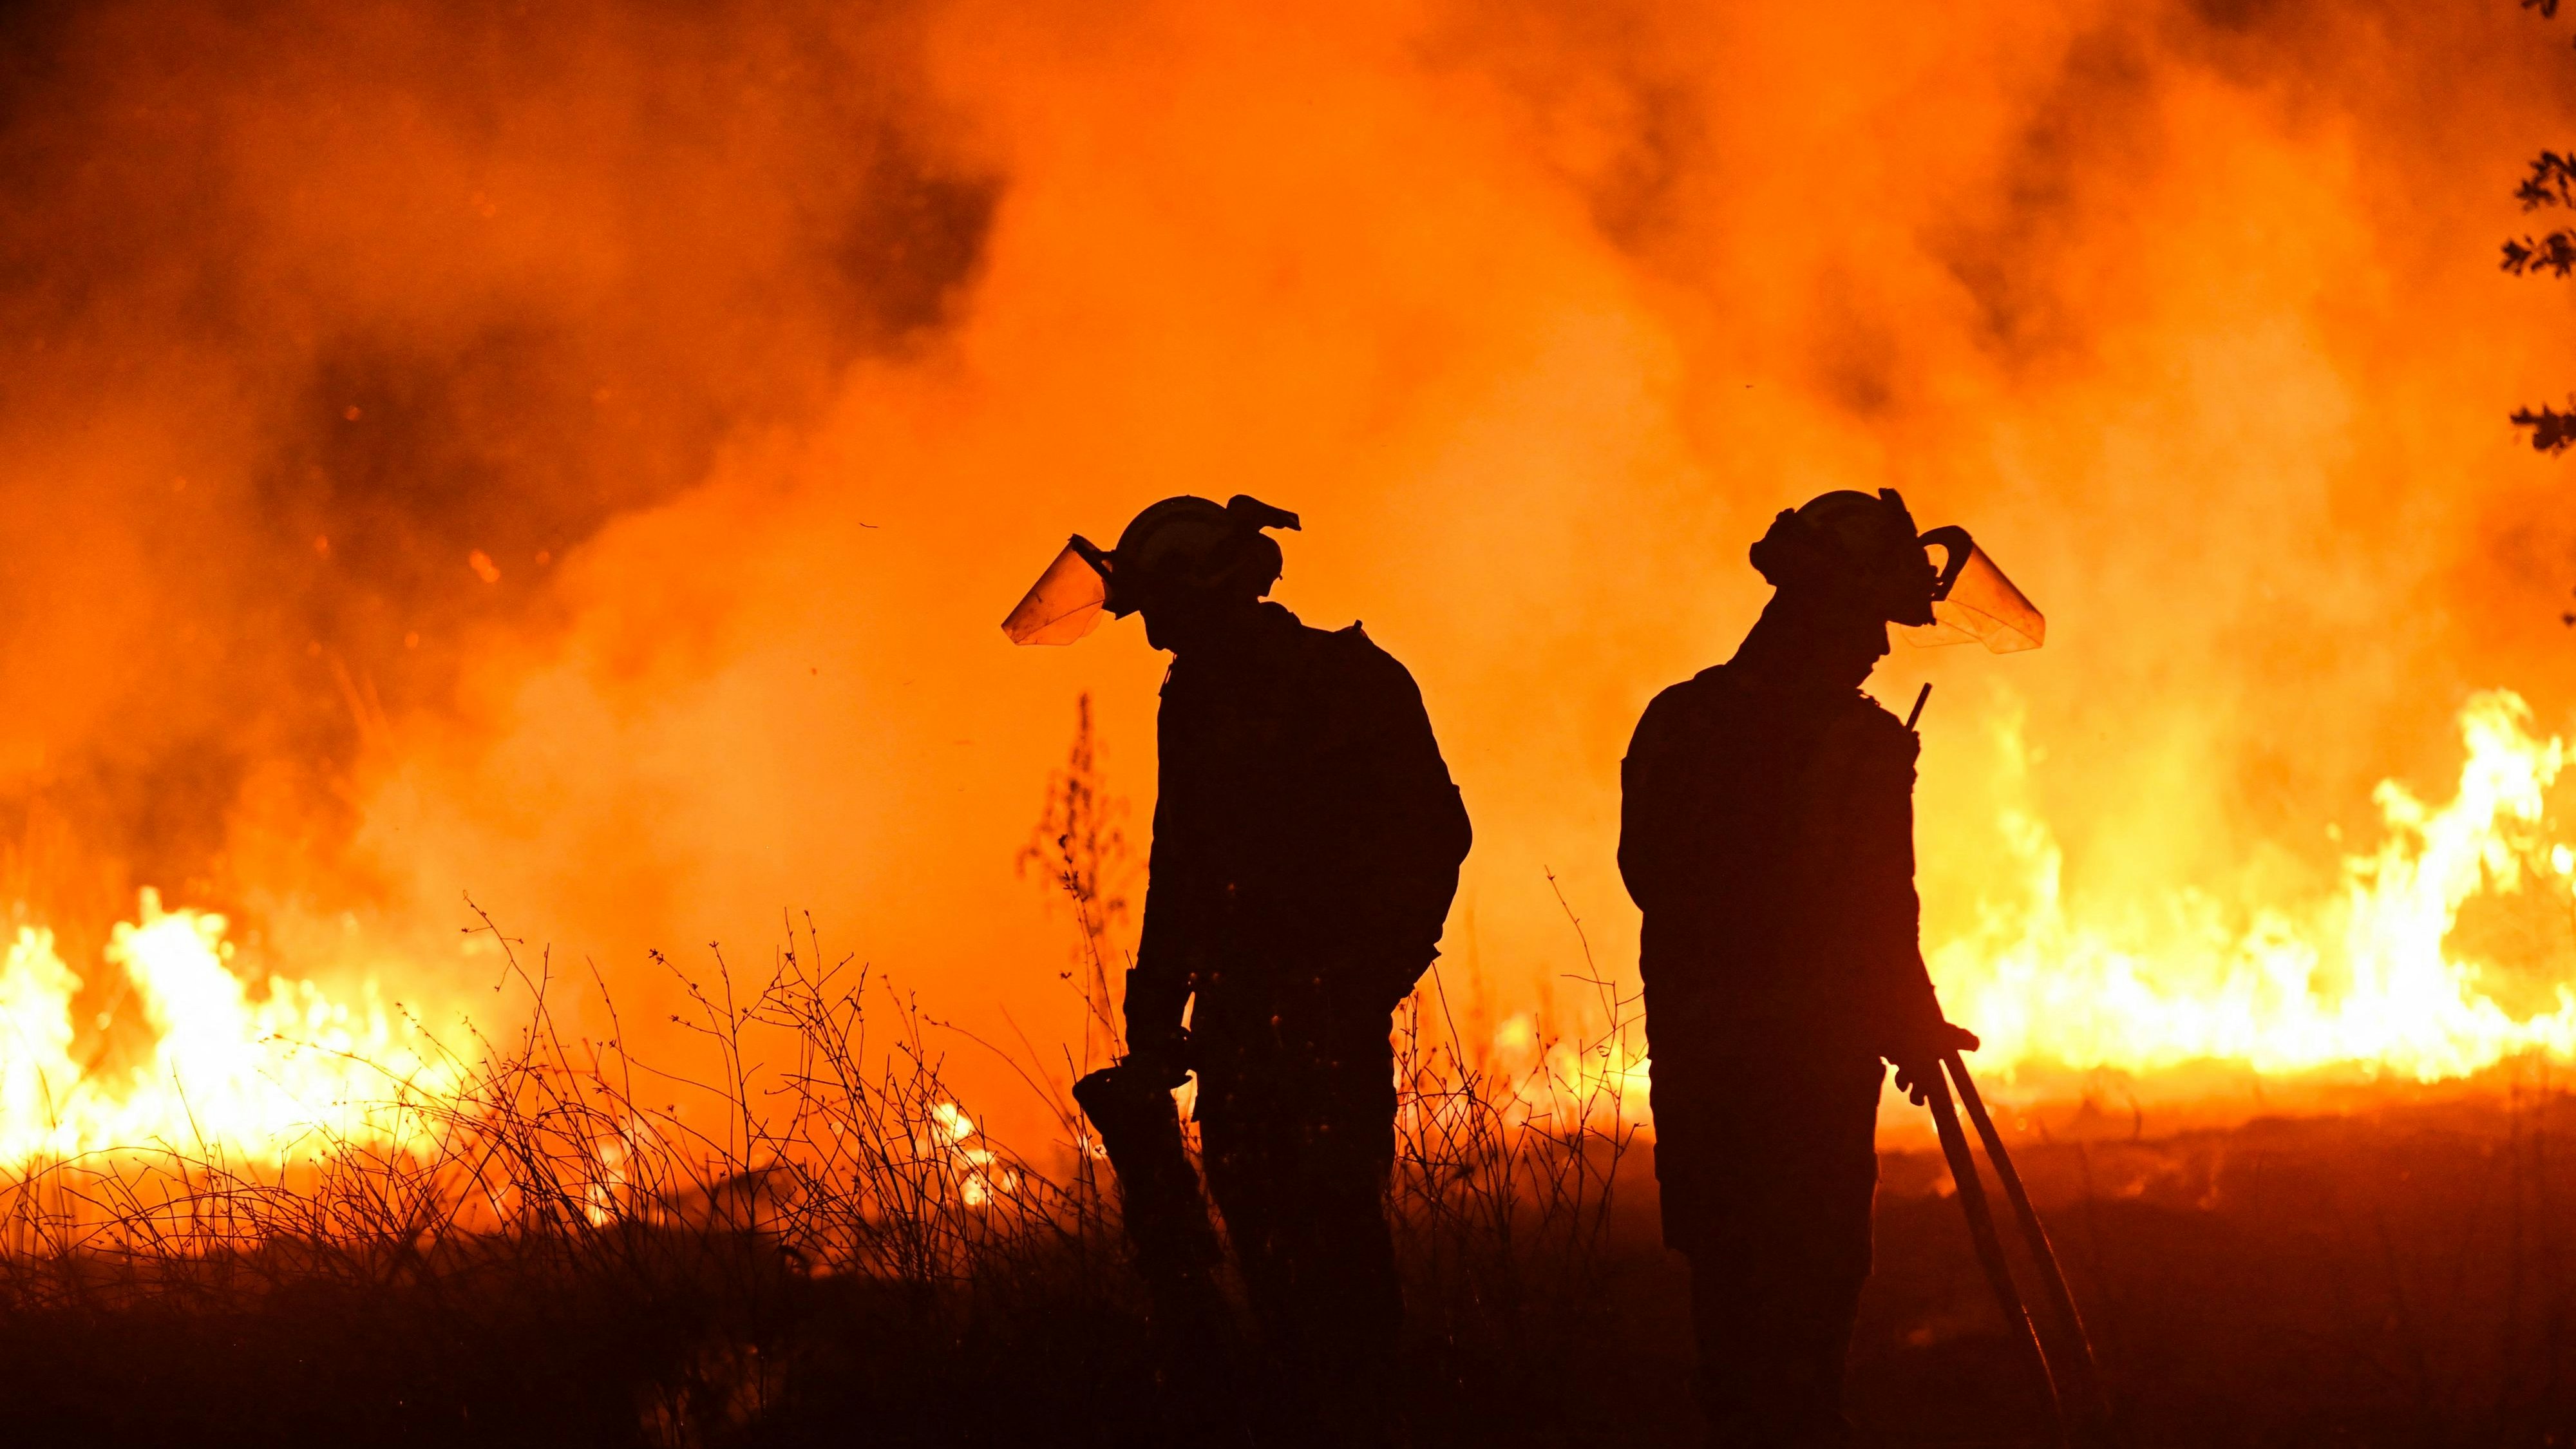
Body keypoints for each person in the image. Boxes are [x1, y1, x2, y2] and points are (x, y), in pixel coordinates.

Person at [1003, 494, 1472, 1442]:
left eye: (1161, 611)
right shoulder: (1200, 694)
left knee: (1337, 1255)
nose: (1152, 635)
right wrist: (1155, 1001)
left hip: (1322, 1029)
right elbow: (1183, 860)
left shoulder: (1345, 682)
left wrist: (1361, 982)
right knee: (1263, 1245)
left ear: (1208, 592)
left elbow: (1436, 838)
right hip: (1238, 1025)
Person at [1618, 488, 2007, 1447]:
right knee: (1809, 1316)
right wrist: (1908, 1021)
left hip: (1703, 1078)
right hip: (1809, 1089)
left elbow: (1648, 877)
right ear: (1826, 615)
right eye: (1871, 623)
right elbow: (1878, 913)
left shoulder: (1677, 719)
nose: (1879, 649)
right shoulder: (1859, 745)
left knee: (1733, 1324)